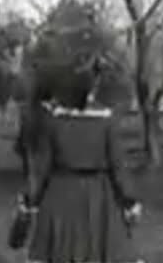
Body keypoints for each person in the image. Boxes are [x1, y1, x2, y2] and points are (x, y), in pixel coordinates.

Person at [22, 66, 141, 263]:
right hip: (99, 198)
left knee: (59, 253)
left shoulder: (54, 122)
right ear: (92, 89)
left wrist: (30, 200)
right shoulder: (106, 121)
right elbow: (118, 166)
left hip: (60, 196)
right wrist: (130, 200)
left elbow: (41, 168)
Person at [14, 74, 55, 181]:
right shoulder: (40, 110)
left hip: (32, 133)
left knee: (31, 155)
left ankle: (31, 175)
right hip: (35, 132)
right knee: (35, 155)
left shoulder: (28, 108)